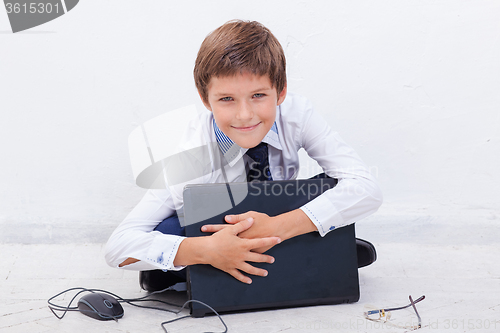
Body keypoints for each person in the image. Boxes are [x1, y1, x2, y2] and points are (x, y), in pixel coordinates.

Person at [104, 20, 383, 291]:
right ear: (206, 100)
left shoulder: (298, 114)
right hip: (218, 226)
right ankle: (185, 268)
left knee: (328, 186)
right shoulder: (189, 155)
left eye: (259, 95)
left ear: (281, 91)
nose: (245, 115)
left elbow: (366, 188)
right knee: (171, 227)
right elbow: (118, 248)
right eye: (227, 99)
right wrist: (204, 250)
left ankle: (303, 246)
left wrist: (278, 227)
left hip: (276, 210)